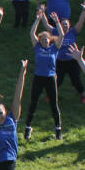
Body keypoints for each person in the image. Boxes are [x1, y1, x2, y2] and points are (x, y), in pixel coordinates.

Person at [23, 9, 66, 141]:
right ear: (40, 40)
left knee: (54, 104)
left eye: (47, 39)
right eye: (43, 39)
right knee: (33, 103)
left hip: (51, 78)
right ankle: (28, 128)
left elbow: (62, 35)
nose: (45, 41)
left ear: (50, 40)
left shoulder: (54, 48)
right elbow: (31, 33)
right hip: (38, 77)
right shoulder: (37, 47)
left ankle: (58, 129)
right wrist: (38, 18)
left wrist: (57, 22)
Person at [55, 1, 85, 104]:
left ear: (69, 26)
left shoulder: (73, 32)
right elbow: (46, 24)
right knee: (57, 80)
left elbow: (81, 22)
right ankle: (52, 95)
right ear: (60, 26)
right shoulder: (55, 32)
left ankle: (83, 95)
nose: (65, 26)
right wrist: (41, 14)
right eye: (63, 25)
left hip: (72, 61)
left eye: (66, 24)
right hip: (60, 61)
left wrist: (84, 10)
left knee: (76, 80)